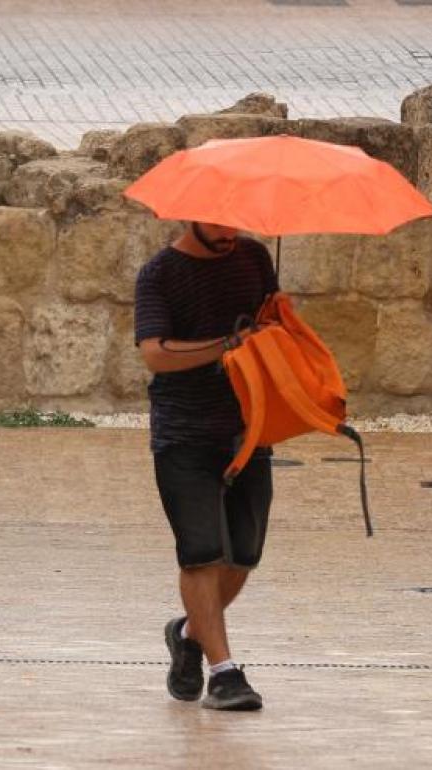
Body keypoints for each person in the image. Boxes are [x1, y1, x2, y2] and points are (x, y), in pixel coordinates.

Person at [133, 221, 278, 711]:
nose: (231, 229)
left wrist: (281, 319)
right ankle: (224, 674)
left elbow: (268, 325)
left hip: (250, 427)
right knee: (201, 553)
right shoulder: (159, 274)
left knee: (244, 555)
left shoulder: (255, 256)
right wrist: (226, 345)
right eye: (218, 219)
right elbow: (155, 354)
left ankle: (189, 635)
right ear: (190, 215)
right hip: (183, 433)